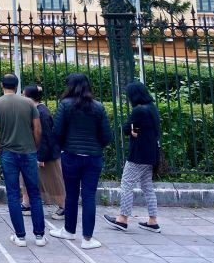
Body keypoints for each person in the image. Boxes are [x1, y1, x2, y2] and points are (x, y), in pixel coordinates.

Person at [49, 73, 112, 250]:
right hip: (93, 158)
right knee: (89, 196)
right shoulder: (98, 107)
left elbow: (57, 132)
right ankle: (87, 238)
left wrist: (65, 147)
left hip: (70, 155)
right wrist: (95, 147)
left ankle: (69, 230)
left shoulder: (65, 105)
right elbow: (107, 136)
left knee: (71, 193)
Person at [0, 74, 47, 248]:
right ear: (17, 85)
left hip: (8, 153)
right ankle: (40, 235)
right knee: (34, 193)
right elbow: (38, 129)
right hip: (28, 152)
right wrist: (34, 147)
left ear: (1, 85)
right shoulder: (28, 103)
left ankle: (20, 236)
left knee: (13, 194)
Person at [103, 81, 162, 234]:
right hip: (152, 153)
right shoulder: (152, 108)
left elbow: (126, 127)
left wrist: (131, 130)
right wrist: (134, 130)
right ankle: (153, 221)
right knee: (147, 186)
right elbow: (139, 128)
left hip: (139, 154)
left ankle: (122, 219)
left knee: (127, 183)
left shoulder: (139, 110)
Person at [20, 84, 65, 220]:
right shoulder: (34, 109)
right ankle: (26, 204)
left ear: (29, 97)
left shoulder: (41, 112)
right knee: (25, 179)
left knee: (54, 182)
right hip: (33, 152)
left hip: (46, 155)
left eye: (23, 94)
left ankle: (64, 207)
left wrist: (41, 157)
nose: (21, 97)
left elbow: (46, 136)